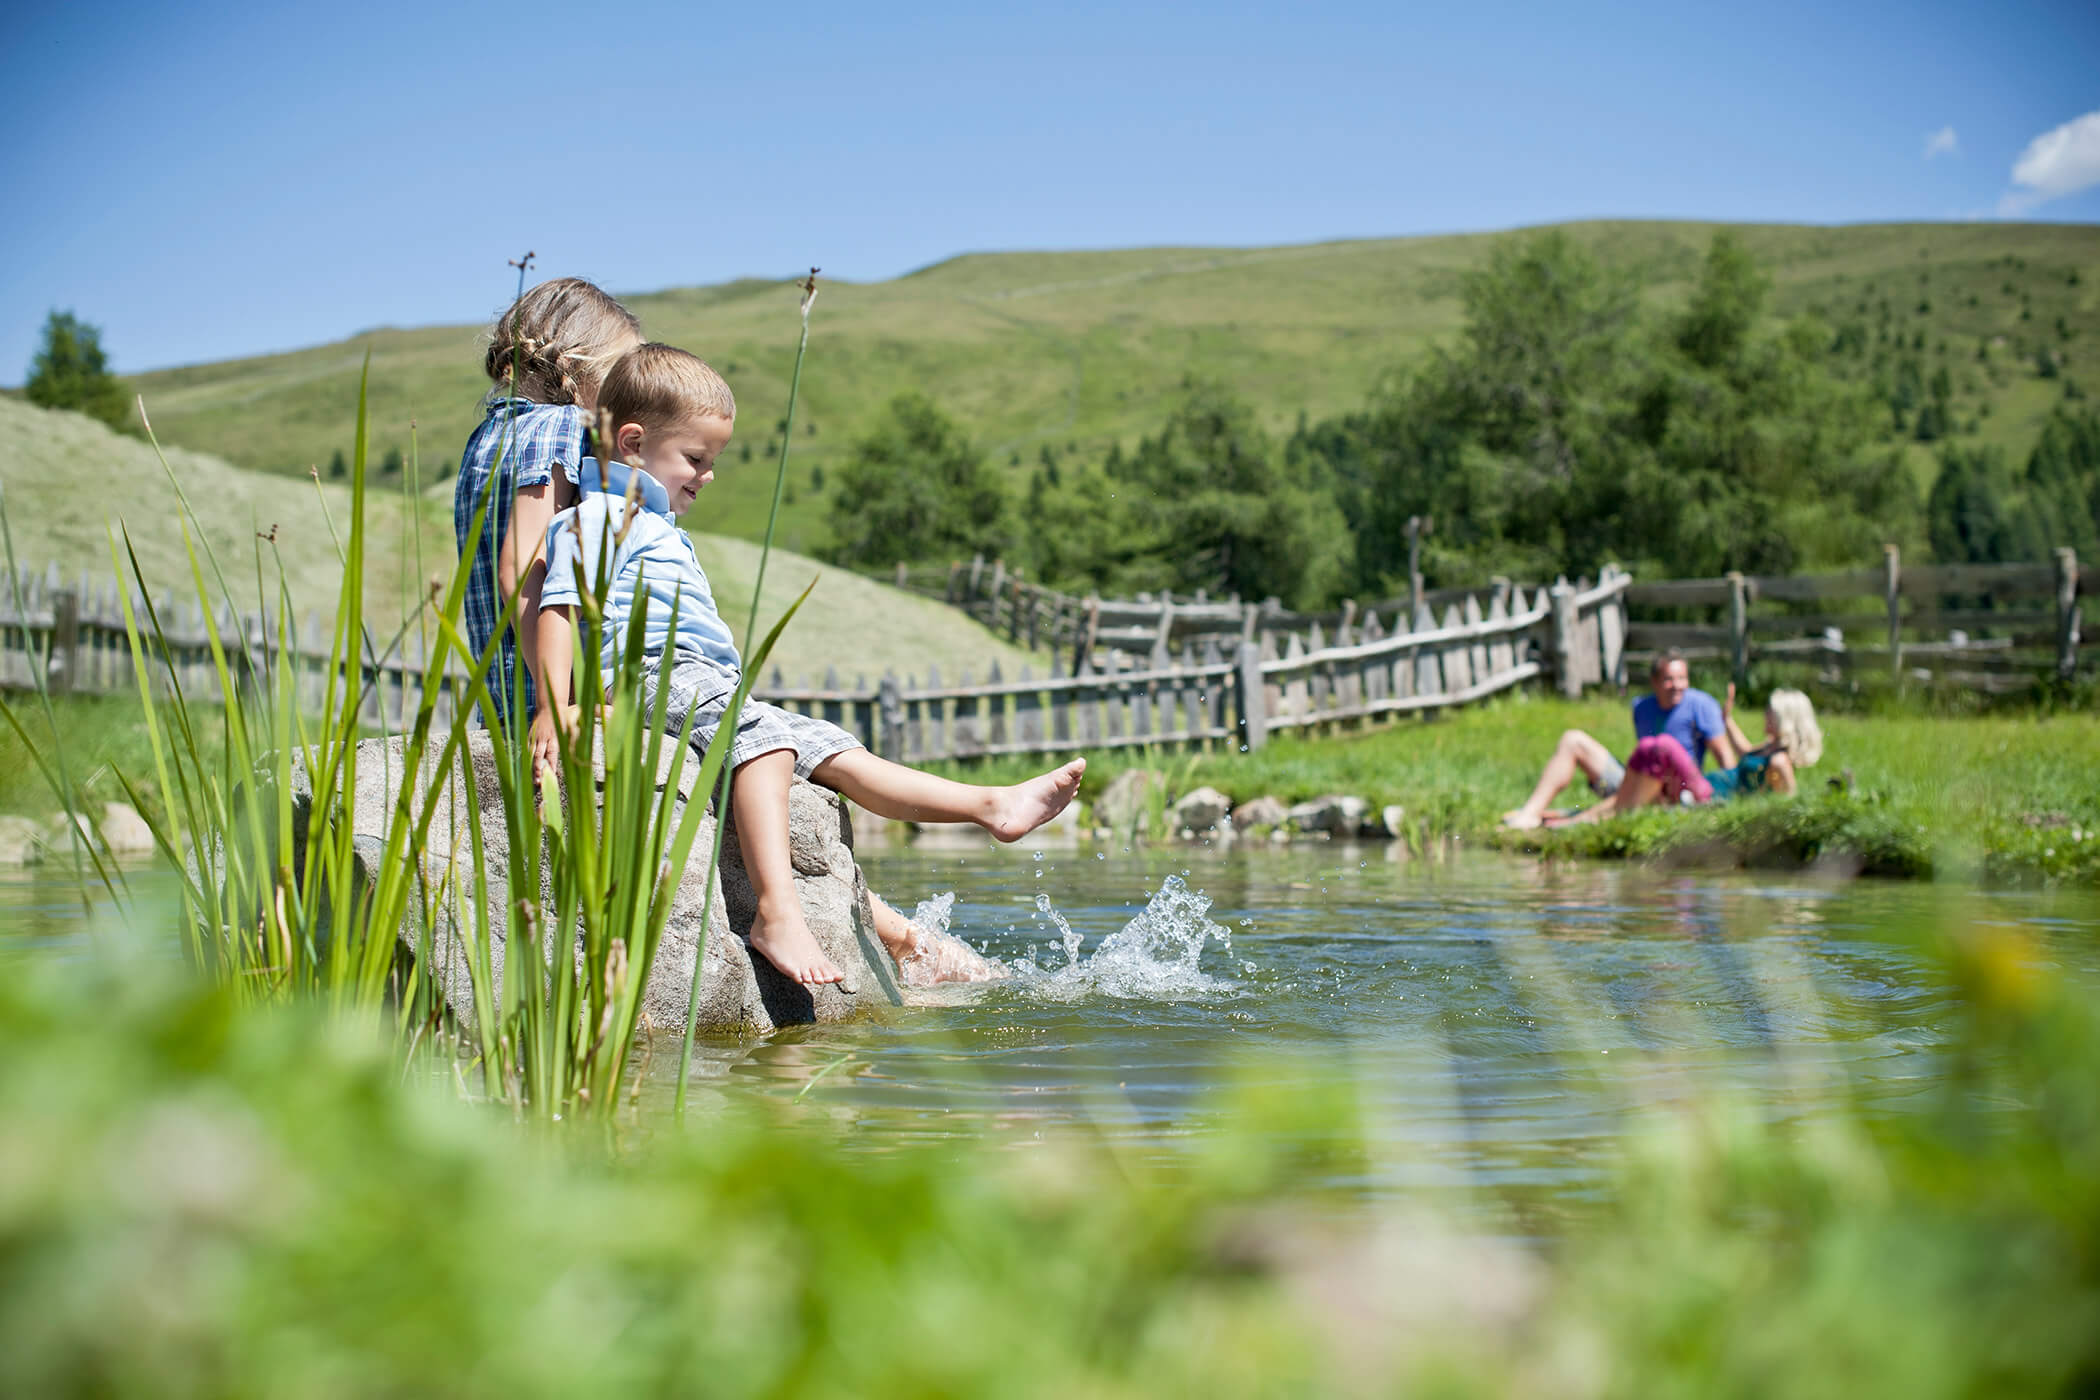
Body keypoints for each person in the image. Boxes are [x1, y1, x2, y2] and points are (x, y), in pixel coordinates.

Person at [531, 344, 1084, 988]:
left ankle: (990, 806)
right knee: (766, 745)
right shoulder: (597, 518)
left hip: (708, 685)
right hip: (655, 673)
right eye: (696, 459)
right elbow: (559, 608)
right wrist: (553, 705)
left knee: (833, 749)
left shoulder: (651, 524)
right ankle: (776, 912)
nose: (708, 476)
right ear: (630, 442)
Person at [454, 277, 643, 727]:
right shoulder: (562, 426)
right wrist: (560, 700)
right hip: (548, 698)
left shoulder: (487, 436)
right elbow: (522, 564)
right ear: (584, 366)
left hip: (502, 696)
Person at [1500, 650, 1737, 829]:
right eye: (1669, 679)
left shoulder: (1702, 705)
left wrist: (1729, 800)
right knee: (1573, 740)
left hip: (1676, 791)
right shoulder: (1641, 707)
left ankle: (1583, 819)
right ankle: (1531, 812)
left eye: (1682, 679)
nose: (1677, 686)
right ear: (1654, 682)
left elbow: (1725, 757)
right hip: (1639, 780)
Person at [1557, 685, 1822, 822]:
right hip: (1707, 788)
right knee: (1652, 763)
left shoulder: (1779, 761)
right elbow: (1744, 751)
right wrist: (1726, 720)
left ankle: (1586, 818)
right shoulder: (1769, 748)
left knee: (1664, 746)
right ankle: (1586, 817)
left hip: (1709, 798)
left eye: (1770, 712)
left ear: (1785, 718)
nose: (1765, 715)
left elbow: (1789, 803)